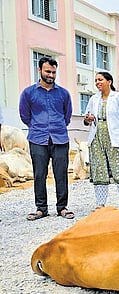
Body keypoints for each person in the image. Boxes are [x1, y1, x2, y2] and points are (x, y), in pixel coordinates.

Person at [19, 57, 74, 220]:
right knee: (39, 174)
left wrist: (57, 126)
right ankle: (41, 209)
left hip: (60, 139)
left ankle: (62, 208)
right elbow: (24, 115)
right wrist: (37, 126)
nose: (51, 75)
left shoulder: (63, 93)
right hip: (38, 139)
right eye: (48, 71)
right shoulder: (28, 93)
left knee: (61, 174)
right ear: (39, 71)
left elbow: (67, 115)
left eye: (53, 72)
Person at [83, 72, 119, 210]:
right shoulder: (94, 99)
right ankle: (100, 204)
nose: (97, 82)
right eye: (95, 80)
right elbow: (86, 120)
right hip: (97, 138)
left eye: (100, 79)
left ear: (109, 81)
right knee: (100, 171)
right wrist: (88, 119)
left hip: (116, 138)